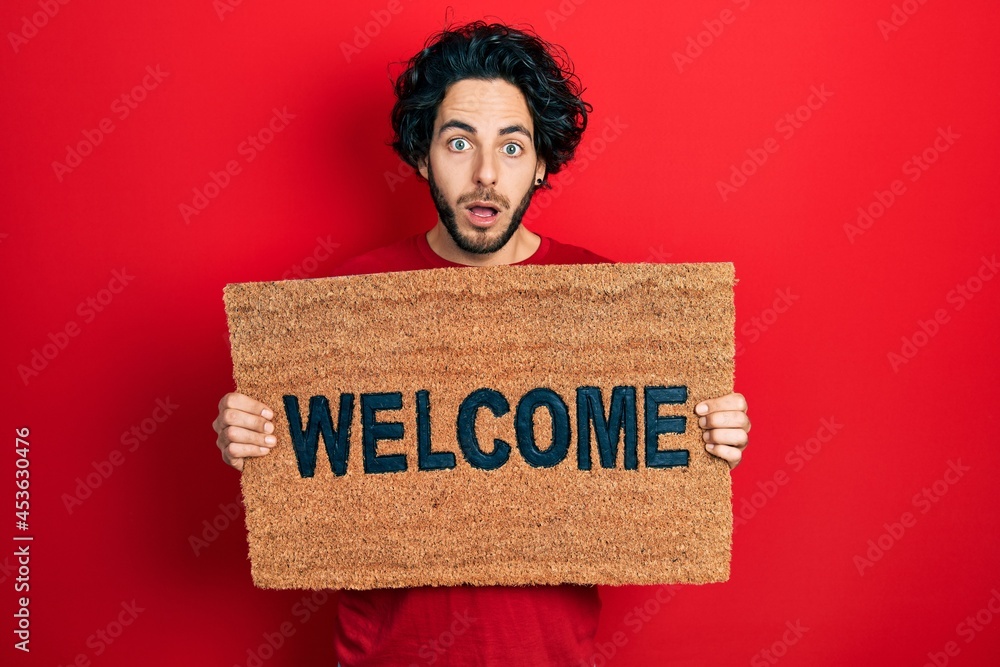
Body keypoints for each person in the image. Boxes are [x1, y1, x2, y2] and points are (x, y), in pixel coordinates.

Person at [213, 21, 751, 666]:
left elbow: (647, 458)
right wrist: (249, 435)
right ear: (421, 155)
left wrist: (707, 432)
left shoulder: (611, 303)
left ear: (543, 161)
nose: (486, 174)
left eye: (513, 147)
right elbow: (303, 464)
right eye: (459, 142)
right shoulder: (344, 304)